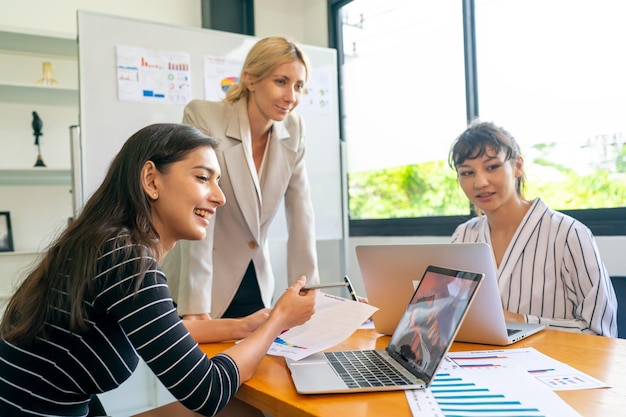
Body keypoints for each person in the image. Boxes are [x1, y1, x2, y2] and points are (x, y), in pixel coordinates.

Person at [0, 123, 316, 416]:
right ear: (151, 180)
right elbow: (207, 391)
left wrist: (246, 326)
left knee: (240, 410)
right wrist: (278, 321)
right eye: (203, 178)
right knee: (236, 410)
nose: (219, 197)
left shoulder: (105, 242)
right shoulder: (127, 258)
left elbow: (164, 330)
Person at [162, 36, 319, 320]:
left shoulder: (294, 130)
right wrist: (196, 307)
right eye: (281, 82)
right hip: (200, 279)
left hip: (256, 282)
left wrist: (306, 290)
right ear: (250, 80)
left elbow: (302, 213)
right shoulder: (204, 117)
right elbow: (197, 209)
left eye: (298, 86)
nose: (291, 97)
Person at [448, 120, 617, 337]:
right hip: (477, 364)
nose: (480, 183)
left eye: (492, 167)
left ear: (517, 166)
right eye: (467, 173)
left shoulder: (568, 234)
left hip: (554, 367)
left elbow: (601, 333)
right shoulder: (463, 236)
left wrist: (522, 322)